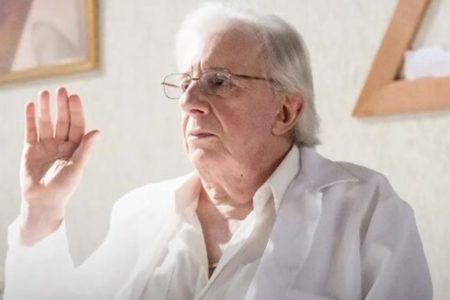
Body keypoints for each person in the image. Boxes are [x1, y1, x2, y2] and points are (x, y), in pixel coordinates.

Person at [5, 3, 432, 300]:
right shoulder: (141, 211)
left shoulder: (364, 208)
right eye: (185, 83)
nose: (190, 100)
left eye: (219, 81)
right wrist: (42, 210)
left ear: (286, 110)